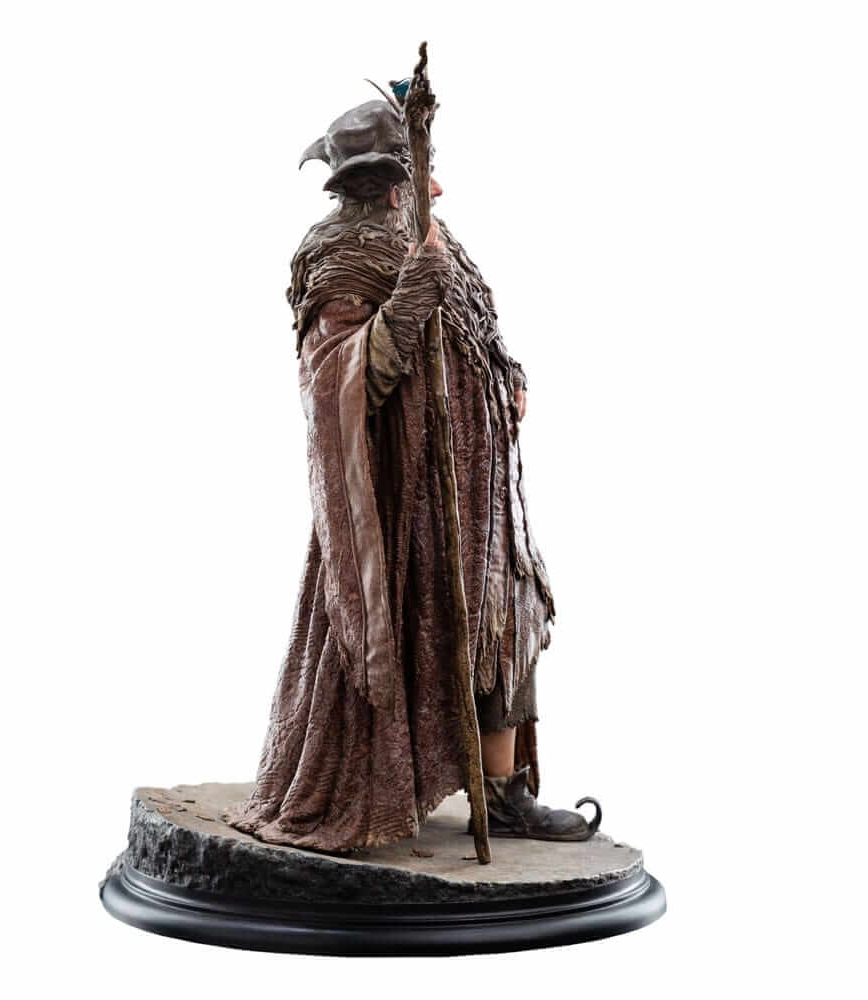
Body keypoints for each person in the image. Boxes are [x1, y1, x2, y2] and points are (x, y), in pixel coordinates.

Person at [224, 93, 599, 852]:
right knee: (415, 628)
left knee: (503, 620)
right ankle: (382, 787)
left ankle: (504, 791)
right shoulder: (340, 257)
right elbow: (339, 380)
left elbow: (474, 321)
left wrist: (506, 372)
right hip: (405, 498)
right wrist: (408, 298)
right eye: (421, 173)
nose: (437, 187)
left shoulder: (428, 236)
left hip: (478, 486)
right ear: (391, 182)